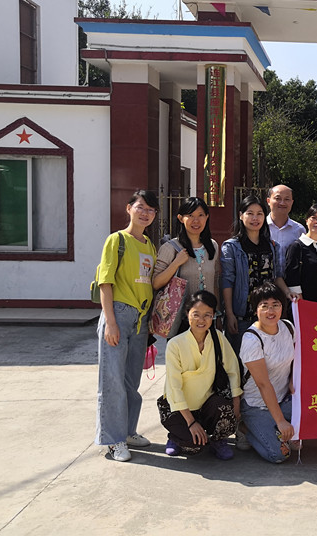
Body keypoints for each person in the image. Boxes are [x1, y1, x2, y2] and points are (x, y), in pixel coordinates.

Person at [94, 189, 159, 462]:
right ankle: (113, 440)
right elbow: (105, 282)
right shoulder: (116, 240)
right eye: (140, 207)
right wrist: (110, 322)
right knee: (112, 382)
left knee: (131, 382)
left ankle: (129, 432)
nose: (145, 213)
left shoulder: (150, 245)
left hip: (140, 321)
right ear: (129, 208)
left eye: (150, 210)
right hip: (118, 315)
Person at [161, 290, 241, 460]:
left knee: (225, 409)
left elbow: (233, 370)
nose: (201, 320)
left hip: (207, 405)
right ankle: (175, 437)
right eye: (196, 314)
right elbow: (174, 387)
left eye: (207, 315)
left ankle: (218, 441)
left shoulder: (218, 338)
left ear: (213, 316)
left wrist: (236, 402)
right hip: (179, 409)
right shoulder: (175, 345)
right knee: (194, 448)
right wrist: (190, 422)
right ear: (187, 314)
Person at [220, 195, 293, 352]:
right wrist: (230, 314)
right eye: (250, 213)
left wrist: (288, 293)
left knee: (268, 358)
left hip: (268, 314)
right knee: (241, 359)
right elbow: (227, 281)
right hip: (242, 316)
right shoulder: (231, 247)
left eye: (259, 214)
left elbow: (277, 276)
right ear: (241, 215)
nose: (255, 218)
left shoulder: (273, 246)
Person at [239, 281, 296, 463]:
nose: (270, 311)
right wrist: (280, 422)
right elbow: (263, 384)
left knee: (313, 421)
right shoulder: (252, 339)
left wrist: (292, 380)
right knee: (281, 454)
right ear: (256, 309)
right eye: (264, 306)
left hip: (283, 399)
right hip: (257, 405)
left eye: (275, 305)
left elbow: (297, 360)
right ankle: (245, 427)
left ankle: (275, 428)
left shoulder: (288, 327)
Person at [152, 197, 220, 338]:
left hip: (207, 319)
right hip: (180, 320)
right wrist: (176, 263)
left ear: (207, 217)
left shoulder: (212, 246)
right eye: (190, 215)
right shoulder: (170, 248)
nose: (196, 221)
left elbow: (215, 282)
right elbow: (156, 283)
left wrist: (218, 313)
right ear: (180, 218)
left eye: (200, 215)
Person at [285, 203, 317, 303]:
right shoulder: (297, 247)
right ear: (307, 220)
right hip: (304, 304)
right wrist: (301, 303)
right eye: (314, 218)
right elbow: (291, 277)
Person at [266, 184, 305, 277]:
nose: (282, 203)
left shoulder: (299, 230)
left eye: (287, 199)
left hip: (291, 282)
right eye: (278, 198)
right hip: (264, 282)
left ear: (292, 202)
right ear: (268, 201)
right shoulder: (260, 227)